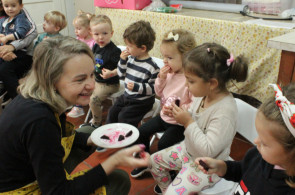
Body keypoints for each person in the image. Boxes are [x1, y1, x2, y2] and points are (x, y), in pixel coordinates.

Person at [0, 36, 150, 194]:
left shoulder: (39, 95)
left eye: (92, 75)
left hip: (30, 169)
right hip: (20, 188)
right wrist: (113, 161)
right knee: (118, 180)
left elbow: (55, 139)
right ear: (52, 80)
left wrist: (92, 139)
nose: (92, 85)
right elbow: (57, 192)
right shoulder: (39, 121)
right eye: (80, 80)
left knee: (88, 133)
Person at [149, 42, 249, 194]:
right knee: (153, 161)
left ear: (212, 83)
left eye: (191, 81)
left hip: (206, 166)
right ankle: (165, 190)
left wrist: (188, 122)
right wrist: (180, 112)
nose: (186, 85)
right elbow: (193, 112)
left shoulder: (225, 112)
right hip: (188, 151)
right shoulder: (203, 94)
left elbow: (208, 151)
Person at [196, 83, 295, 195]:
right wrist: (221, 167)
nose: (255, 141)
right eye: (258, 135)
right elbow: (243, 170)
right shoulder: (258, 155)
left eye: (264, 143)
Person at [130, 29, 196, 178]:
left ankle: (169, 172)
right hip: (163, 117)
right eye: (164, 56)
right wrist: (161, 78)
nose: (165, 61)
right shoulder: (169, 73)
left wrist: (177, 109)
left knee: (163, 145)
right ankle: (144, 160)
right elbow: (159, 93)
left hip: (179, 124)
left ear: (186, 57)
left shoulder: (190, 78)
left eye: (170, 57)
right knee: (141, 132)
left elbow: (194, 104)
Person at [106, 20, 160, 128]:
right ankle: (110, 133)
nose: (127, 48)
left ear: (143, 48)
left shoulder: (152, 67)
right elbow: (121, 75)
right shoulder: (130, 59)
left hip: (142, 102)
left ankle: (126, 138)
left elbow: (154, 89)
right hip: (127, 96)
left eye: (129, 46)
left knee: (124, 117)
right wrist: (122, 60)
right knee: (112, 111)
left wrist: (137, 87)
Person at [78, 14, 121, 129]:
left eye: (105, 33)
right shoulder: (96, 47)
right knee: (82, 91)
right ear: (91, 34)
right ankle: (94, 112)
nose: (100, 37)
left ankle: (96, 123)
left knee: (93, 99)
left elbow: (123, 68)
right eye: (96, 34)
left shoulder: (114, 51)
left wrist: (111, 73)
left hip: (110, 84)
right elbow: (93, 61)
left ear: (111, 33)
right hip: (97, 80)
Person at [0, 1, 37, 105]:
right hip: (3, 51)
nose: (10, 8)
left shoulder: (20, 16)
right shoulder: (4, 20)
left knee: (5, 70)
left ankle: (19, 101)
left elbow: (32, 31)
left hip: (21, 52)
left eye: (12, 6)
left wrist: (12, 46)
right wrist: (2, 51)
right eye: (6, 6)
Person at [67, 10, 96, 118]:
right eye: (75, 28)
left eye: (79, 28)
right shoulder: (78, 40)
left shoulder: (94, 42)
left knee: (80, 83)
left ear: (89, 29)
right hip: (78, 67)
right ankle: (73, 102)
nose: (76, 31)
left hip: (89, 70)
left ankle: (78, 107)